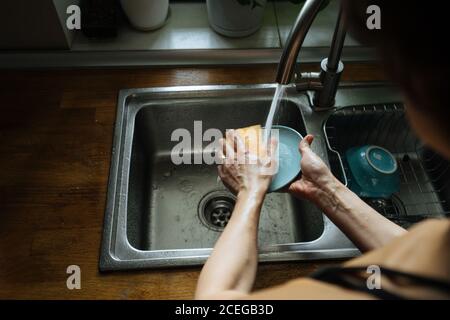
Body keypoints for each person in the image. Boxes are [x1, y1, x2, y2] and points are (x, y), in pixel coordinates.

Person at [195, 0, 450, 300]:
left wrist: (249, 192)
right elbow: (418, 259)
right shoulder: (438, 245)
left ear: (419, 83)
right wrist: (326, 190)